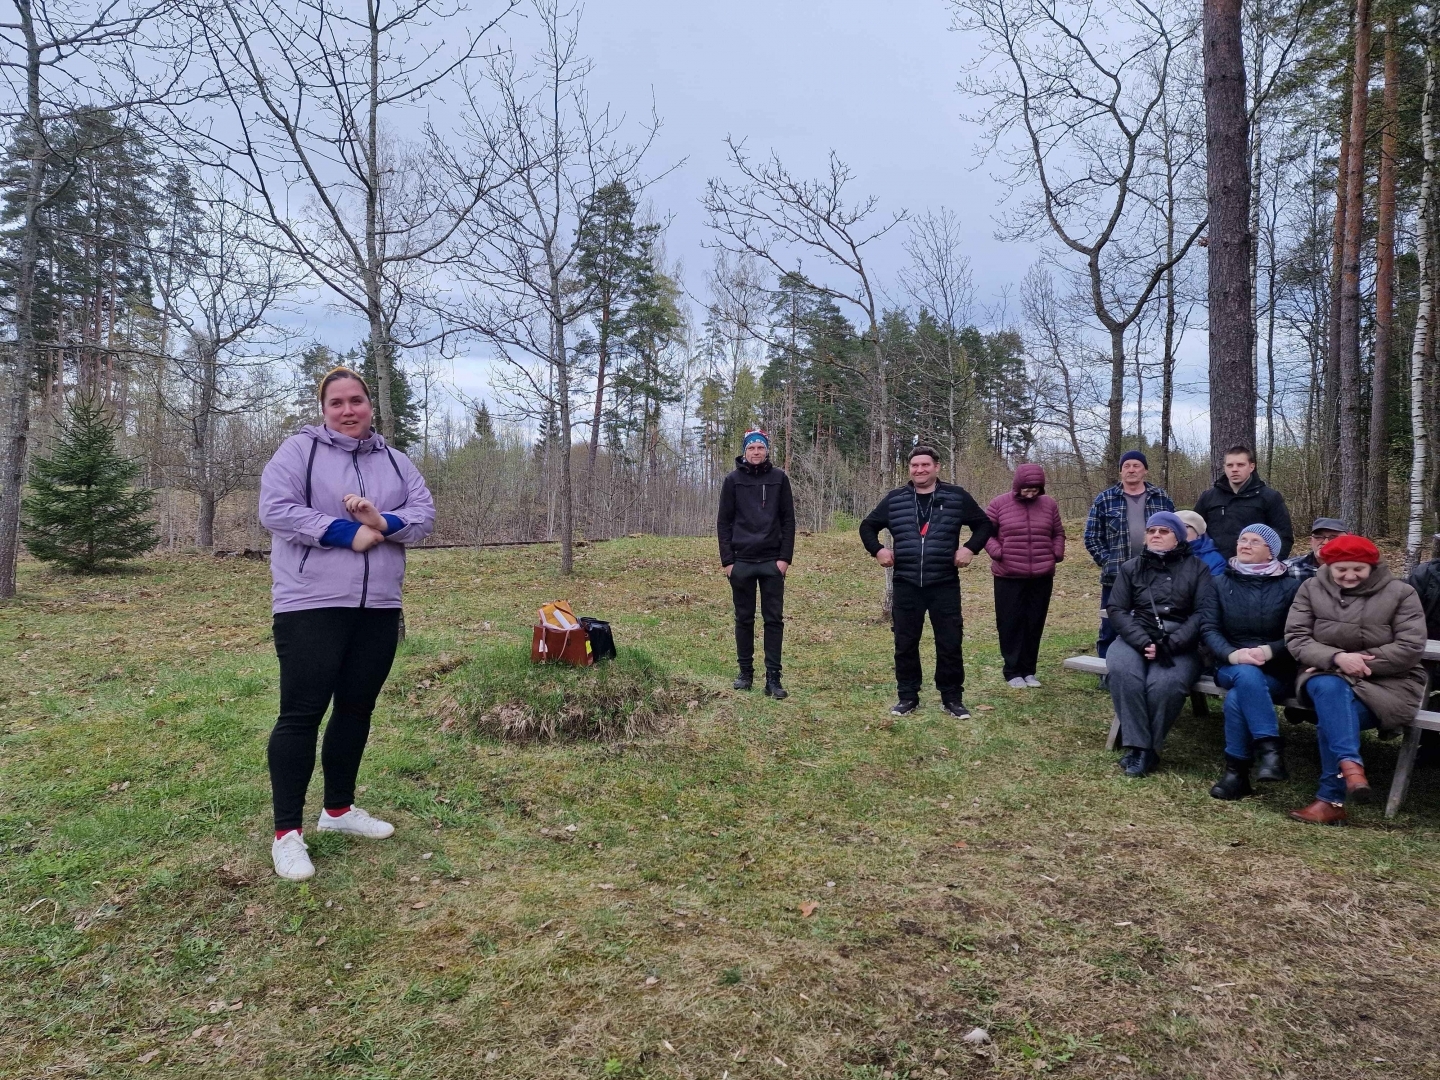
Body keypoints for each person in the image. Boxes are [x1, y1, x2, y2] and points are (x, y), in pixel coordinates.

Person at [258, 367, 436, 881]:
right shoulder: (298, 452)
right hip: (310, 602)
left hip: (378, 605)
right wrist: (342, 532)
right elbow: (276, 510)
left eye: (356, 400)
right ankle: (286, 834)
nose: (348, 410)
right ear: (324, 409)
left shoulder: (396, 461)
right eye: (336, 402)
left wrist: (383, 523)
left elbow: (424, 515)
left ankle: (337, 811)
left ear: (370, 406)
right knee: (301, 713)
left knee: (357, 708)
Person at [1284, 534, 1427, 825]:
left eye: (1358, 569)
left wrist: (1349, 662)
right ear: (1329, 567)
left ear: (1372, 567)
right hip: (1325, 676)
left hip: (1389, 683)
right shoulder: (1311, 588)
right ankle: (1350, 768)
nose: (1350, 575)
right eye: (1342, 569)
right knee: (1328, 691)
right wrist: (1336, 659)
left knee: (1333, 714)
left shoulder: (1401, 592)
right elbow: (1297, 638)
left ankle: (1332, 799)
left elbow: (1410, 646)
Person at [860, 444, 994, 718]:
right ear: (909, 469)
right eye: (914, 466)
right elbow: (867, 526)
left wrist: (969, 549)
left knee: (949, 642)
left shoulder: (956, 497)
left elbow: (985, 524)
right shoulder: (895, 499)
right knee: (905, 642)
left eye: (925, 465)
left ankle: (952, 698)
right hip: (906, 582)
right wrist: (878, 550)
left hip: (944, 581)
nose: (919, 470)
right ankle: (907, 697)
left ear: (937, 467)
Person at [1199, 524, 1302, 799]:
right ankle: (1270, 749)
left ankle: (1237, 774)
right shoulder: (1219, 583)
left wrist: (1268, 651)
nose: (1244, 544)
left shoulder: (1292, 587)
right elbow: (1209, 628)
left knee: (1237, 697)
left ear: (1271, 553)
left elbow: (1299, 634)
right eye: (1242, 539)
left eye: (1254, 542)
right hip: (1229, 663)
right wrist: (1233, 654)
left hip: (1276, 670)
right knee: (1244, 676)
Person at [1105, 511, 1212, 777]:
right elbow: (1117, 608)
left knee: (1164, 684)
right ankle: (1143, 748)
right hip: (1136, 635)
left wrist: (1172, 643)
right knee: (1122, 672)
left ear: (1177, 537)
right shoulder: (1131, 567)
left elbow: (1203, 613)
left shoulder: (1198, 568)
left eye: (1163, 531)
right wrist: (1141, 641)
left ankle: (1143, 751)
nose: (1156, 535)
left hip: (1181, 642)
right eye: (1152, 531)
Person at [717, 428, 796, 699]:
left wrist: (784, 559)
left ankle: (773, 678)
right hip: (742, 562)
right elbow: (723, 522)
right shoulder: (733, 481)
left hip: (772, 562)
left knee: (773, 620)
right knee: (744, 618)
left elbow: (788, 521)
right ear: (744, 451)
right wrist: (728, 561)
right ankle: (745, 673)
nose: (756, 452)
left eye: (760, 448)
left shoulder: (779, 479)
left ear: (766, 451)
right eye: (751, 448)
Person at [1083, 450, 1175, 658]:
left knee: (1151, 621)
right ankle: (1107, 669)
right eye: (1127, 466)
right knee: (1110, 623)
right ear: (1121, 471)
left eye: (1136, 466)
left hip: (1155, 575)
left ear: (1145, 471)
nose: (1131, 470)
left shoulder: (1161, 498)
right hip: (1116, 576)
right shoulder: (1105, 499)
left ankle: (1145, 663)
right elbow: (1091, 537)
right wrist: (1107, 562)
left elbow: (1174, 533)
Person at [985, 463, 1065, 688]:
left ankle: (1029, 670)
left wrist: (1056, 553)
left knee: (1034, 623)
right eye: (1026, 490)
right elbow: (984, 533)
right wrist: (999, 553)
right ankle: (1012, 671)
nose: (1030, 494)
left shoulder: (1049, 504)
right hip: (1008, 576)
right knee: (1010, 623)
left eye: (1035, 490)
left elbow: (1058, 533)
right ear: (1017, 486)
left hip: (1041, 575)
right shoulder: (999, 504)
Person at [1192, 445, 1294, 560]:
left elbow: (1284, 537)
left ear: (1251, 467)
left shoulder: (1269, 497)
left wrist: (1270, 566)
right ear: (1224, 467)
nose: (1234, 469)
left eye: (1240, 465)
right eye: (1230, 465)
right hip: (1215, 568)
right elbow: (1194, 532)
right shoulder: (1209, 497)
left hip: (1254, 568)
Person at [1176, 510, 1225, 576]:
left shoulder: (1215, 560)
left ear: (1198, 531)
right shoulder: (1162, 553)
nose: (1177, 531)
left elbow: (1212, 585)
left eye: (1183, 527)